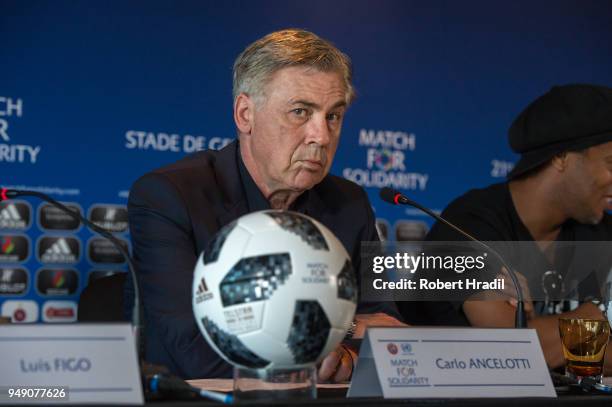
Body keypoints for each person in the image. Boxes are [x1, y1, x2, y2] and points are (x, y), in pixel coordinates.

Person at [126, 29, 404, 381]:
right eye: (301, 111)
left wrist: (346, 355)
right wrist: (343, 327)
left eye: (333, 116)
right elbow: (194, 347)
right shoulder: (170, 196)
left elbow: (387, 333)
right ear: (245, 114)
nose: (321, 135)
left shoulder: (349, 203)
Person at [402, 84, 612, 369]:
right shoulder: (469, 225)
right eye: (611, 163)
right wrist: (602, 313)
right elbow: (513, 351)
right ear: (562, 157)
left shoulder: (599, 229)